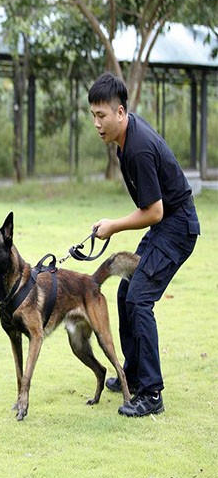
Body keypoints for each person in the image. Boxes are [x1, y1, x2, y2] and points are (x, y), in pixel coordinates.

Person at [88, 72, 200, 417]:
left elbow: (154, 211)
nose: (97, 123)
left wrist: (113, 226)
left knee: (139, 300)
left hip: (177, 228)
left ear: (120, 113)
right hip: (167, 224)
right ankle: (133, 375)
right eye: (93, 116)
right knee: (125, 292)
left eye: (102, 116)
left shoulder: (136, 149)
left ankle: (151, 393)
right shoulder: (126, 141)